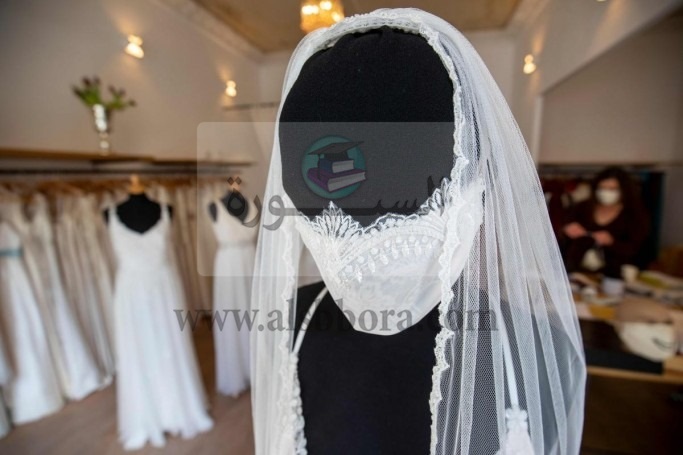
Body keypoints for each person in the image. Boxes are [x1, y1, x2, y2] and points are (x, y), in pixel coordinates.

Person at [561, 166, 649, 277]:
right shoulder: (582, 208)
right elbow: (561, 239)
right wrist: (566, 231)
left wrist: (612, 242)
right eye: (602, 188)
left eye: (612, 189)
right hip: (576, 273)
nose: (606, 193)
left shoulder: (634, 215)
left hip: (616, 276)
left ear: (623, 190)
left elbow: (638, 250)